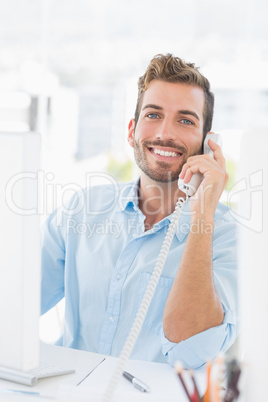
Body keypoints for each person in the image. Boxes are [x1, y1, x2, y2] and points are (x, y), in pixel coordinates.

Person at [41, 53, 238, 369]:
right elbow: (16, 304)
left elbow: (191, 351)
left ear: (207, 143)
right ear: (132, 129)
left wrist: (202, 215)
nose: (165, 134)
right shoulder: (81, 211)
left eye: (185, 120)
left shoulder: (230, 237)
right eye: (153, 115)